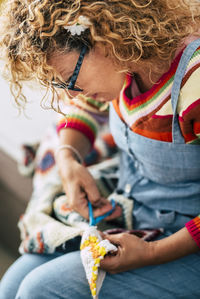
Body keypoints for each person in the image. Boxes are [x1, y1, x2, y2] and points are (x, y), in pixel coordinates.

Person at [0, 0, 200, 298]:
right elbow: (83, 106)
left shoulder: (192, 83)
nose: (69, 92)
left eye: (70, 78)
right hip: (143, 217)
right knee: (13, 283)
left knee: (37, 290)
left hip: (185, 240)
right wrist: (68, 156)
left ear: (104, 36)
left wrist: (152, 252)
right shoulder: (127, 64)